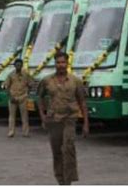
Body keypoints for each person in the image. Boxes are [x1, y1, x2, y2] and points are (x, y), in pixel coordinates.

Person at [37, 51, 89, 185]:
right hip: (53, 120)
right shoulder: (47, 80)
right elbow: (40, 97)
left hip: (69, 119)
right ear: (55, 64)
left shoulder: (75, 81)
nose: (61, 65)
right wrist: (43, 116)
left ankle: (68, 182)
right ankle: (61, 180)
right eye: (58, 62)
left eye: (63, 62)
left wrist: (85, 124)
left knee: (68, 149)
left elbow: (82, 102)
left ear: (67, 63)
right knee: (56, 152)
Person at [5, 58, 33, 138]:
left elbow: (31, 84)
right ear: (14, 66)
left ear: (22, 65)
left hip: (23, 97)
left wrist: (27, 93)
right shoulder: (10, 75)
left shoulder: (26, 74)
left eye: (20, 65)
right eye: (17, 65)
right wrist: (10, 96)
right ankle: (11, 132)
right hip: (13, 97)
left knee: (24, 116)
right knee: (12, 116)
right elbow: (7, 86)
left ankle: (25, 132)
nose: (18, 66)